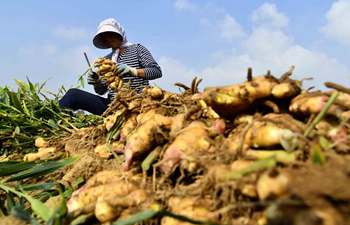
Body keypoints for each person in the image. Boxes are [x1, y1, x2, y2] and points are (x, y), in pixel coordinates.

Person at [59, 18, 162, 115]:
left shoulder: (137, 49)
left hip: (137, 103)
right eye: (105, 37)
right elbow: (101, 91)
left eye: (111, 35)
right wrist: (96, 82)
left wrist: (133, 71)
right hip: (111, 107)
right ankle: (51, 120)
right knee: (73, 95)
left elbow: (156, 71)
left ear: (119, 34)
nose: (109, 39)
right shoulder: (106, 60)